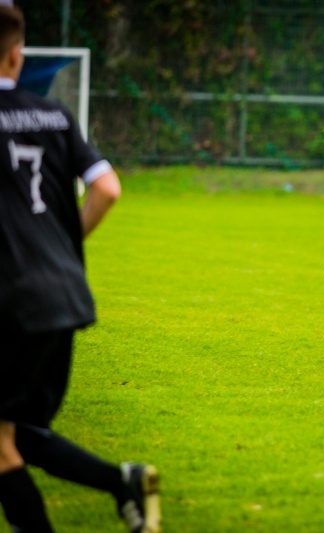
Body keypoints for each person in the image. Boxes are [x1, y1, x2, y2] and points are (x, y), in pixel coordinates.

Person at [0, 5, 161, 533]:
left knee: (4, 445)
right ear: (18, 54)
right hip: (63, 293)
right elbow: (107, 187)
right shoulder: (54, 114)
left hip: (11, 301)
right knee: (18, 435)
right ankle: (124, 483)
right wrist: (66, 247)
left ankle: (123, 484)